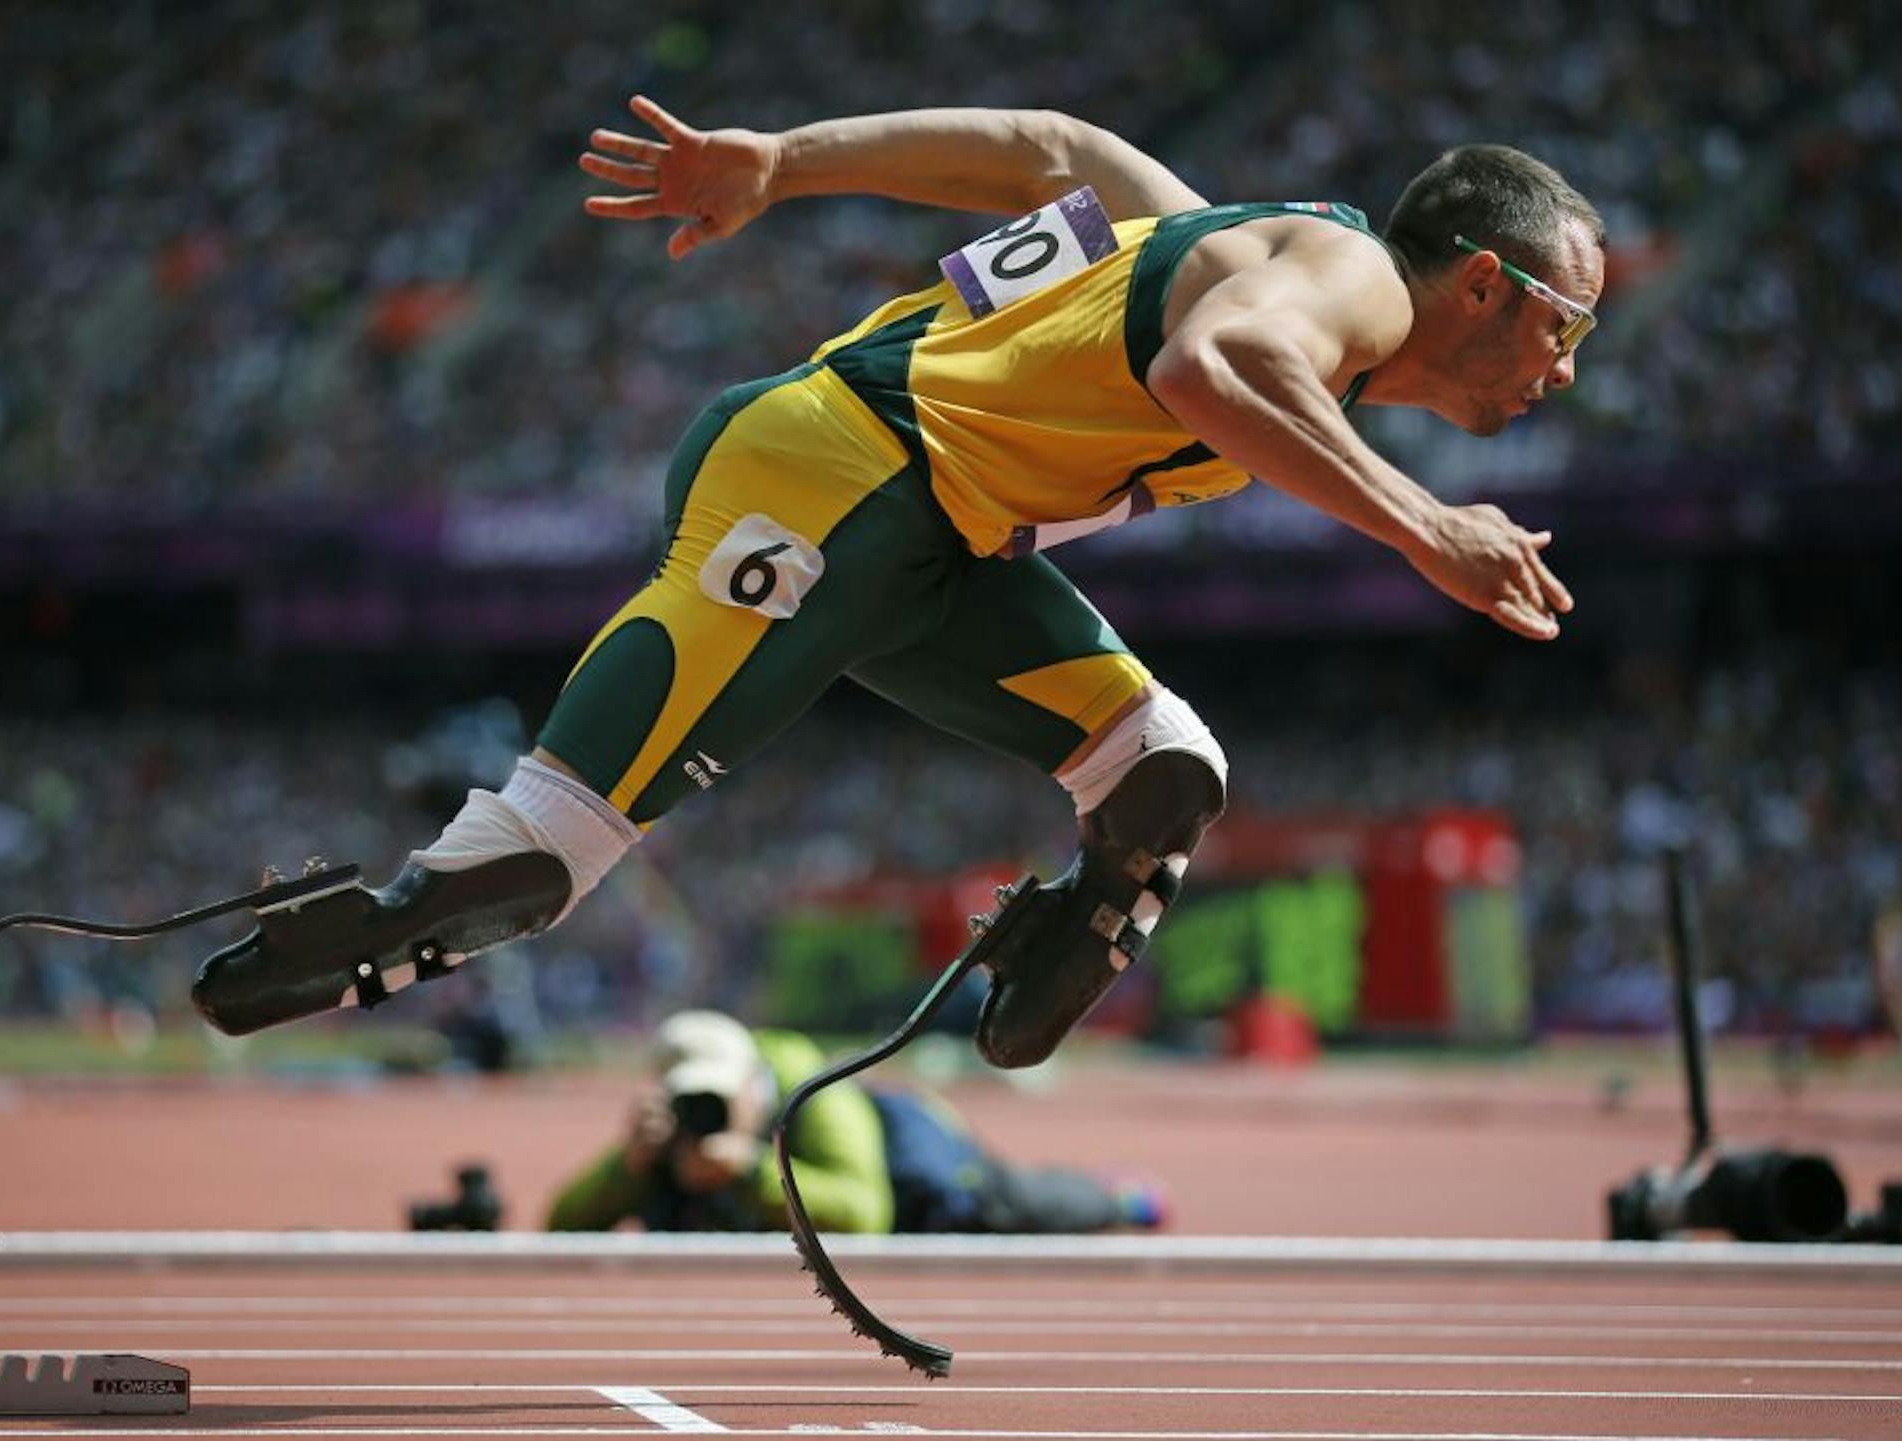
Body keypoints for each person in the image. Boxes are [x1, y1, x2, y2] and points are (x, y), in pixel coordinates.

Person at [193, 98, 1601, 1070]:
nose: (1568, 368)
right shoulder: (1350, 275)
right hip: (841, 471)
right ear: (1480, 283)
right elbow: (1213, 374)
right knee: (542, 856)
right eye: (1568, 322)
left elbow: (1058, 148)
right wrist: (1428, 529)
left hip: (940, 540)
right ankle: (373, 919)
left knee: (1161, 762)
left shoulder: (1249, 243)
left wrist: (788, 160)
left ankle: (1038, 938)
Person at [545, 1009, 1160, 1234]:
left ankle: (1116, 1199)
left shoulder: (816, 1095)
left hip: (911, 1164)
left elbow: (868, 1215)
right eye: (689, 1098)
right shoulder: (674, 1124)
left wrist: (751, 1168)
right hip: (816, 1188)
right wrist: (631, 1165)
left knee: (1007, 1204)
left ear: (751, 1082)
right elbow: (561, 1223)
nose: (704, 1111)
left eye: (717, 1097)